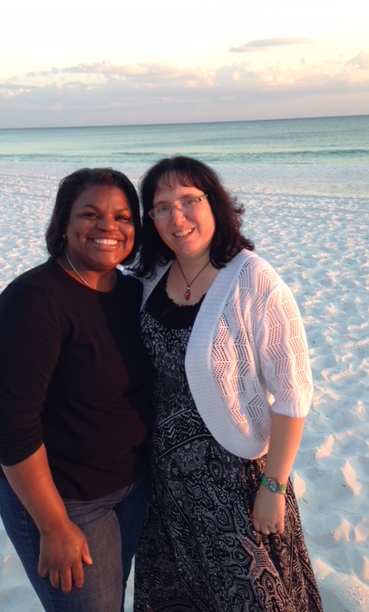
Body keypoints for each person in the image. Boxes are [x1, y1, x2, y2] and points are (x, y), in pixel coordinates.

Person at [132, 156, 323, 611]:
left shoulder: (254, 280)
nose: (176, 218)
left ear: (214, 203)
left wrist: (273, 487)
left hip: (237, 481)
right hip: (166, 483)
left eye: (188, 200)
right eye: (161, 207)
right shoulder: (149, 277)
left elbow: (294, 392)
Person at [0, 168, 153, 612]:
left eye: (122, 216)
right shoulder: (34, 300)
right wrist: (54, 525)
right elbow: (10, 428)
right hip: (66, 500)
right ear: (63, 224)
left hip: (131, 489)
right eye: (90, 214)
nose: (108, 227)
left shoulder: (134, 293)